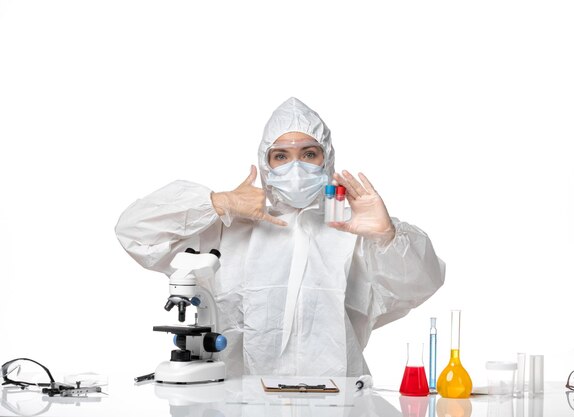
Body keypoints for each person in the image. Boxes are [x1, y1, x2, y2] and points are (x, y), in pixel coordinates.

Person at [115, 97, 445, 377]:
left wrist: (386, 235)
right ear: (266, 162)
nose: (296, 167)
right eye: (282, 156)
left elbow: (422, 283)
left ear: (326, 160)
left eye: (309, 154)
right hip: (238, 401)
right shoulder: (227, 227)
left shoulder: (356, 230)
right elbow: (134, 231)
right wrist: (219, 202)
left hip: (337, 401)